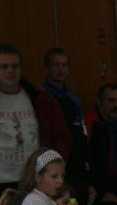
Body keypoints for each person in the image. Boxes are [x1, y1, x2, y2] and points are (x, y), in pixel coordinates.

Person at [0, 44, 71, 191]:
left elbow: (61, 136)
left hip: (33, 181)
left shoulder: (41, 99)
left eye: (15, 66)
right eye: (4, 67)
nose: (10, 71)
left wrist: (53, 170)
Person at [41, 47, 89, 202]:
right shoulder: (42, 98)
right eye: (55, 65)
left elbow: (82, 132)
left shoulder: (73, 99)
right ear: (47, 68)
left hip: (77, 165)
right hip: (56, 164)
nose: (60, 69)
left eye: (64, 65)